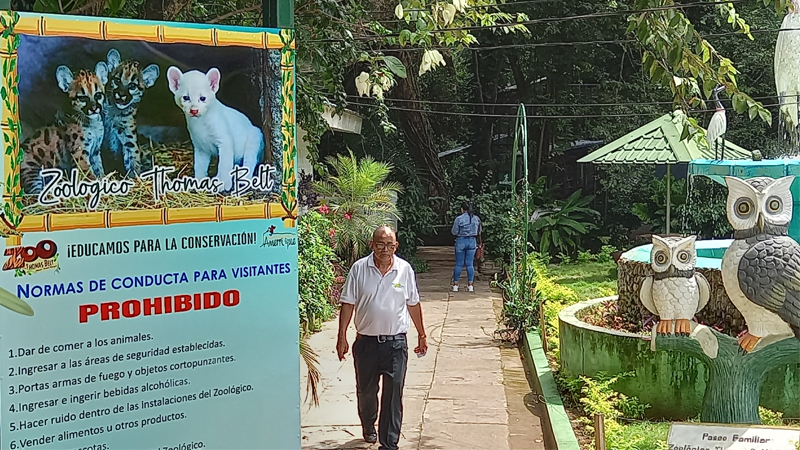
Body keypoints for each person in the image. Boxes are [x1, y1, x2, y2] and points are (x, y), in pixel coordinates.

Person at [337, 225, 428, 450]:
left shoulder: (404, 270)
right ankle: (368, 424)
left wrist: (422, 335)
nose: (385, 249)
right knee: (367, 391)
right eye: (380, 244)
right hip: (366, 343)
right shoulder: (359, 269)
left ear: (396, 246)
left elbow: (413, 304)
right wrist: (341, 337)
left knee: (393, 393)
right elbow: (348, 303)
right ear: (371, 245)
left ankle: (389, 443)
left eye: (390, 245)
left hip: (396, 343)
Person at [451, 201, 481, 292]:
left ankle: (456, 285)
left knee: (459, 264)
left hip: (461, 241)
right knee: (470, 264)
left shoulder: (459, 219)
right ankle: (470, 285)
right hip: (472, 241)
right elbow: (479, 231)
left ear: (462, 209)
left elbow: (454, 232)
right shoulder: (476, 219)